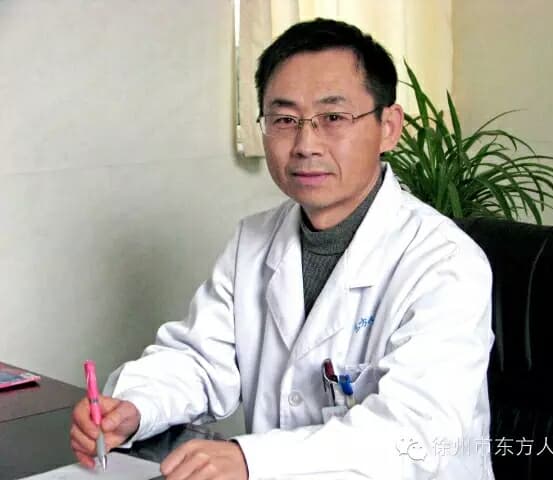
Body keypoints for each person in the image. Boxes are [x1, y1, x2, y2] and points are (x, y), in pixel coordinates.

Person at [70, 18, 495, 480]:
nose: (306, 144)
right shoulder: (253, 242)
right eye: (285, 120)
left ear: (388, 127)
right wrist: (136, 406)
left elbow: (414, 433)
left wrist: (252, 459)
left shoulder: (446, 262)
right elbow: (199, 360)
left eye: (333, 118)